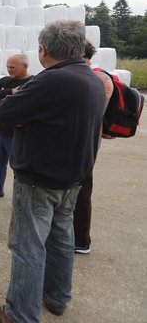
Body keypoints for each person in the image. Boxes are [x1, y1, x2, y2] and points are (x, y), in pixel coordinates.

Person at [0, 21, 107, 323]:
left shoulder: (51, 80)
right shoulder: (91, 78)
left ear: (43, 50)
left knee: (28, 246)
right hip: (72, 177)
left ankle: (20, 313)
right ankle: (57, 298)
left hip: (40, 177)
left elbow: (5, 112)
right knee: (61, 239)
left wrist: (25, 116)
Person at [73, 41, 114, 254]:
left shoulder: (90, 78)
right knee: (82, 187)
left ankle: (81, 240)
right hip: (92, 139)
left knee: (80, 190)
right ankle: (78, 237)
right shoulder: (103, 76)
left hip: (82, 140)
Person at [0, 54, 32, 198]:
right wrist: (10, 92)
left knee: (18, 168)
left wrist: (2, 95)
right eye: (8, 67)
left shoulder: (33, 82)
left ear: (25, 66)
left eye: (12, 67)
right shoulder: (5, 81)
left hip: (18, 133)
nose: (9, 70)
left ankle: (20, 198)